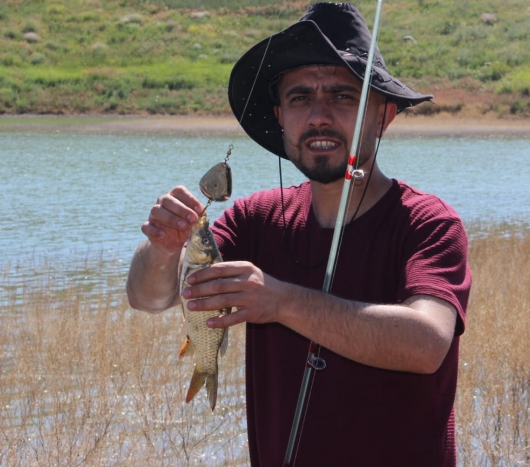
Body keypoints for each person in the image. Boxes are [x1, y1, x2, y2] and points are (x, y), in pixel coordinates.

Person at [127, 3, 471, 467]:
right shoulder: (254, 218)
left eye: (343, 96)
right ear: (280, 117)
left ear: (382, 117)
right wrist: (163, 249)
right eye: (300, 98)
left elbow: (427, 344)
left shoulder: (427, 223)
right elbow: (148, 298)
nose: (318, 116)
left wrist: (281, 301)